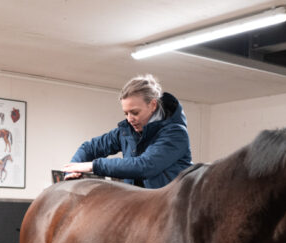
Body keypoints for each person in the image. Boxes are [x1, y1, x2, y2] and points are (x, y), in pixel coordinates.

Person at [62, 74, 191, 188]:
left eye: (135, 112)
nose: (129, 119)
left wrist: (94, 166)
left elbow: (145, 166)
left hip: (169, 209)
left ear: (152, 105)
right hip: (137, 204)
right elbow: (89, 148)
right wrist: (73, 171)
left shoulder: (176, 134)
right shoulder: (126, 132)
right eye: (126, 113)